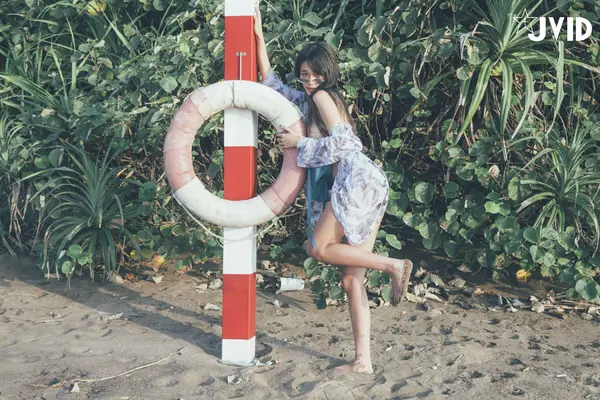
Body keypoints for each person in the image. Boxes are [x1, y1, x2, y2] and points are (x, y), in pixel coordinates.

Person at [254, 5, 413, 374]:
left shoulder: (323, 97)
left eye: (316, 75)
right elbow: (272, 86)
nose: (309, 81)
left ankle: (394, 265)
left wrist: (299, 143)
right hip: (366, 184)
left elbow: (346, 143)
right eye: (304, 75)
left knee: (319, 247)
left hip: (355, 181)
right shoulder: (308, 100)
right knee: (351, 279)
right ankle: (363, 361)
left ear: (328, 75)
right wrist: (259, 36)